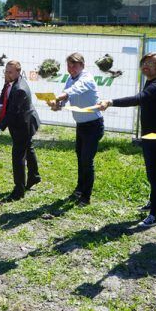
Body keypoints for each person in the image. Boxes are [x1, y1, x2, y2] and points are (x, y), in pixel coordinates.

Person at [98, 53, 156, 226]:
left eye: (152, 63)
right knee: (152, 174)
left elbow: (138, 99)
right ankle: (154, 202)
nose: (147, 65)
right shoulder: (151, 81)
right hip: (150, 136)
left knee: (155, 176)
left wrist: (111, 101)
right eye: (145, 62)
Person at [48, 52, 103, 206]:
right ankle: (80, 188)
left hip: (94, 126)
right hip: (81, 126)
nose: (71, 68)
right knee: (80, 158)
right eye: (69, 65)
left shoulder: (86, 78)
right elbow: (66, 98)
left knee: (87, 160)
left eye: (75, 65)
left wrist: (58, 98)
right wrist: (57, 105)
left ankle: (86, 197)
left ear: (82, 65)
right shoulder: (70, 78)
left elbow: (74, 90)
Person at [0, 60, 40, 200]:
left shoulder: (20, 89)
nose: (7, 74)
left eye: (10, 72)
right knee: (28, 147)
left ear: (18, 72)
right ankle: (34, 176)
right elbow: (4, 93)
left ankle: (19, 190)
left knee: (18, 156)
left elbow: (11, 114)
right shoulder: (10, 81)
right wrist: (0, 105)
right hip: (21, 120)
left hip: (24, 124)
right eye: (6, 71)